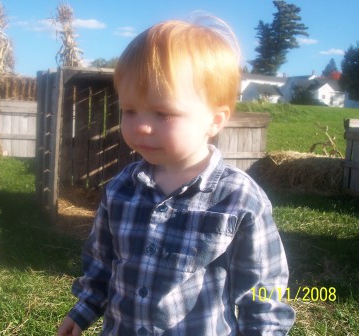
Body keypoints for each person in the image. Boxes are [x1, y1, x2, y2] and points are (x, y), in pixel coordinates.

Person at [57, 17, 295, 336]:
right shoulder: (120, 190)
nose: (140, 126)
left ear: (214, 120)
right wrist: (83, 309)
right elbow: (102, 263)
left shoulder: (238, 198)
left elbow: (263, 293)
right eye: (129, 110)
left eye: (163, 113)